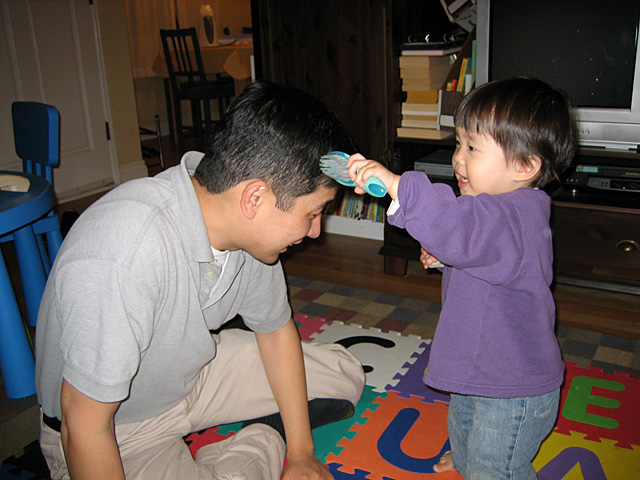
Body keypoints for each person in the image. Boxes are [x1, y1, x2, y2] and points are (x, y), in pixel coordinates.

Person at [35, 80, 366, 480]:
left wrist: (301, 452)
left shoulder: (250, 237)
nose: (315, 232)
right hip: (119, 427)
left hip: (189, 373)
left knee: (346, 376)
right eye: (312, 213)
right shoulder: (126, 250)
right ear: (255, 199)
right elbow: (82, 425)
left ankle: (274, 435)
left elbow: (277, 333)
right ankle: (261, 438)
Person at [347, 77, 576, 480]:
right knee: (463, 426)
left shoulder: (516, 215)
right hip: (479, 369)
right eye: (458, 144)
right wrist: (445, 259)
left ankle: (488, 466)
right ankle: (473, 458)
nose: (457, 159)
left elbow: (459, 225)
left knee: (497, 467)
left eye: (473, 147)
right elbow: (477, 249)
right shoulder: (495, 212)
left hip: (513, 387)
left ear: (525, 166)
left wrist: (398, 185)